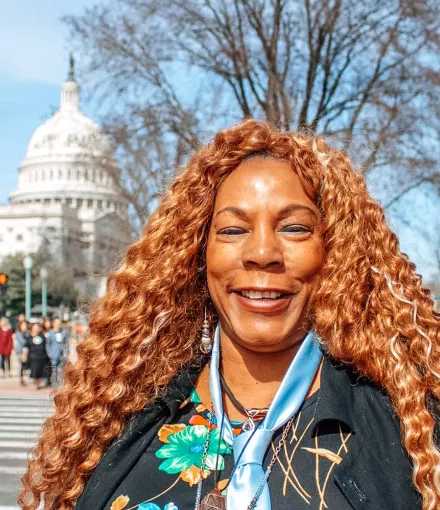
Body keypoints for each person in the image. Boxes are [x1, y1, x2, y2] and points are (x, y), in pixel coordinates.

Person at [20, 120, 440, 510]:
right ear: (197, 256)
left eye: (294, 228)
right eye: (233, 230)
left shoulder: (412, 438)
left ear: (334, 252)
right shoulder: (118, 430)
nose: (261, 254)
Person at [22, 322, 50, 390]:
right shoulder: (29, 337)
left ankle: (38, 383)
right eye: (35, 327)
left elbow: (46, 346)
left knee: (41, 371)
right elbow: (26, 347)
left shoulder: (42, 337)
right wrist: (24, 355)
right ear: (32, 328)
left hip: (42, 357)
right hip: (33, 357)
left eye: (38, 327)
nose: (37, 329)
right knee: (35, 371)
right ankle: (36, 383)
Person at [46, 318, 69, 387]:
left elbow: (66, 344)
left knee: (62, 369)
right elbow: (48, 344)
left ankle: (62, 382)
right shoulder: (50, 333)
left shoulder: (64, 332)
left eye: (59, 324)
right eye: (56, 323)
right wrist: (49, 353)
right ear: (53, 324)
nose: (58, 325)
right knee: (54, 369)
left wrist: (67, 353)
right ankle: (54, 383)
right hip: (53, 354)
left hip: (61, 354)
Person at [14, 320, 31, 386]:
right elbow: (23, 342)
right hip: (20, 352)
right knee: (21, 366)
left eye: (26, 325)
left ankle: (24, 379)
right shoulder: (18, 333)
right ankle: (21, 379)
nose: (25, 327)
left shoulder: (27, 333)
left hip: (27, 353)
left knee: (26, 367)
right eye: (23, 325)